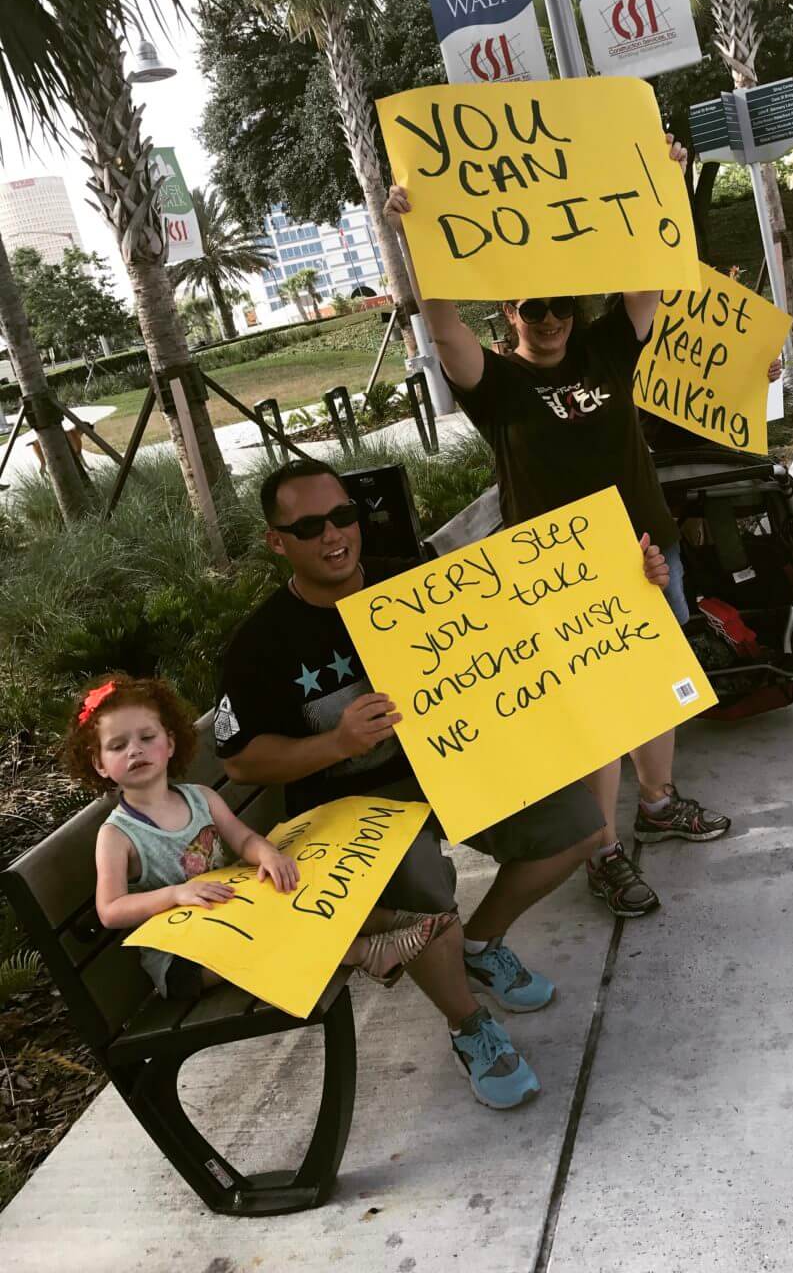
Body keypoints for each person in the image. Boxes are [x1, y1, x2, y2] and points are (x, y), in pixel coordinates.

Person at [384, 138, 731, 922]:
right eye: (531, 309)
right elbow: (442, 333)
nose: (548, 320)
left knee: (653, 692)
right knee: (595, 714)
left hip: (646, 546)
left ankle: (659, 802)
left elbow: (647, 282)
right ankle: (600, 848)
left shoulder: (607, 346)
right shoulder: (497, 384)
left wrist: (663, 186)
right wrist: (418, 240)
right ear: (508, 314)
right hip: (559, 572)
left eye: (559, 306)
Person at [214, 459, 620, 1110]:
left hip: (452, 765)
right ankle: (469, 1026)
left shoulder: (414, 586)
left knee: (575, 822)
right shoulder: (260, 644)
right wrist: (336, 743)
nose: (333, 535)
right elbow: (239, 763)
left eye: (343, 515)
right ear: (277, 541)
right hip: (352, 808)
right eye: (309, 525)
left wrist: (631, 582)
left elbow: (524, 630)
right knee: (418, 880)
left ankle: (481, 945)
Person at [74, 675, 456, 999]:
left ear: (169, 743)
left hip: (239, 915)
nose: (135, 750)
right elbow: (111, 910)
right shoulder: (117, 835)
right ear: (99, 764)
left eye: (146, 737)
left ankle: (394, 920)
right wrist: (175, 894)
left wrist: (268, 855)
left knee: (292, 890)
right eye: (118, 745)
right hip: (186, 962)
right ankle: (367, 952)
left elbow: (243, 841)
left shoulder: (200, 798)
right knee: (273, 933)